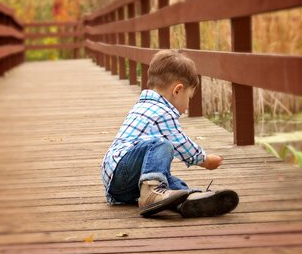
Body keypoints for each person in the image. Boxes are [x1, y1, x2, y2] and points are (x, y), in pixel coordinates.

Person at [101, 49, 239, 217]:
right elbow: (180, 143)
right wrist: (205, 160)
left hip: (122, 184)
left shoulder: (143, 106)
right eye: (189, 97)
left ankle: (186, 198)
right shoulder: (161, 112)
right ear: (177, 90)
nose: (187, 104)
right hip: (123, 172)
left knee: (166, 179)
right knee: (161, 144)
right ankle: (154, 193)